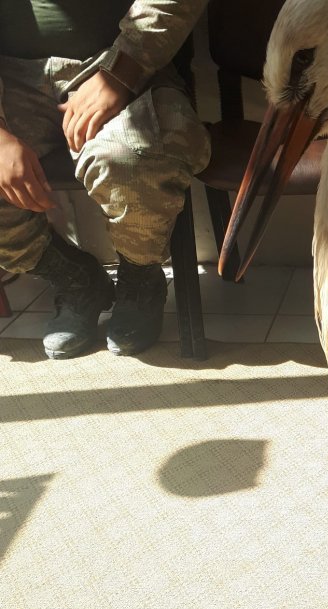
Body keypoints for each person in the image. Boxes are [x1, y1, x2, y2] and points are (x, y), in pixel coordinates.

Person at [0, 0, 210, 359]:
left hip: (117, 58)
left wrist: (122, 71)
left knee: (134, 161)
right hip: (8, 79)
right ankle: (74, 279)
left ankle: (140, 278)